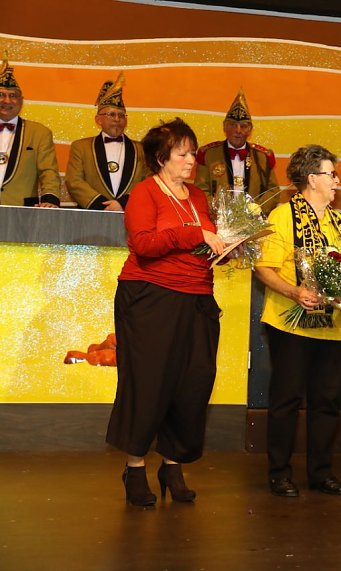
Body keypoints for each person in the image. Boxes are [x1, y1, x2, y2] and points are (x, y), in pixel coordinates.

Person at [106, 118, 225, 506]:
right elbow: (143, 244)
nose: (192, 160)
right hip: (150, 298)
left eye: (193, 153)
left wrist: (226, 248)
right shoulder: (145, 192)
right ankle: (135, 467)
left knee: (193, 383)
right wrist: (195, 234)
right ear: (161, 158)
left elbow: (201, 246)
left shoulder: (198, 197)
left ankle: (172, 466)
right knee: (149, 384)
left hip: (198, 299)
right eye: (183, 153)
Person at [255, 144, 341, 498]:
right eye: (331, 174)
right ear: (312, 178)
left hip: (333, 325)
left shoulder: (338, 222)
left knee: (327, 401)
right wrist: (294, 292)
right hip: (290, 324)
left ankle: (321, 473)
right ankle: (279, 473)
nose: (337, 181)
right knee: (286, 400)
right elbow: (263, 268)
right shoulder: (282, 215)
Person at [65, 73, 148, 211]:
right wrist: (101, 205)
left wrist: (123, 203)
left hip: (130, 214)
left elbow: (147, 181)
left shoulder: (141, 149)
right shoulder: (81, 147)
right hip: (92, 214)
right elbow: (74, 181)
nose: (117, 119)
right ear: (98, 120)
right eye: (111, 114)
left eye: (121, 115)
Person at [195, 88, 281, 213]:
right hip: (217, 219)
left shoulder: (263, 157)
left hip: (254, 221)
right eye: (233, 125)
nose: (238, 130)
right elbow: (200, 190)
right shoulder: (209, 155)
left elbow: (273, 191)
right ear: (224, 126)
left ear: (250, 129)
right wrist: (219, 211)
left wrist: (256, 210)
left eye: (243, 126)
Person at [0, 57, 61, 207]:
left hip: (22, 211)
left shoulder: (40, 133)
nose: (7, 101)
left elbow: (48, 171)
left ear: (21, 101)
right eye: (1, 95)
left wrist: (50, 199)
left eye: (13, 95)